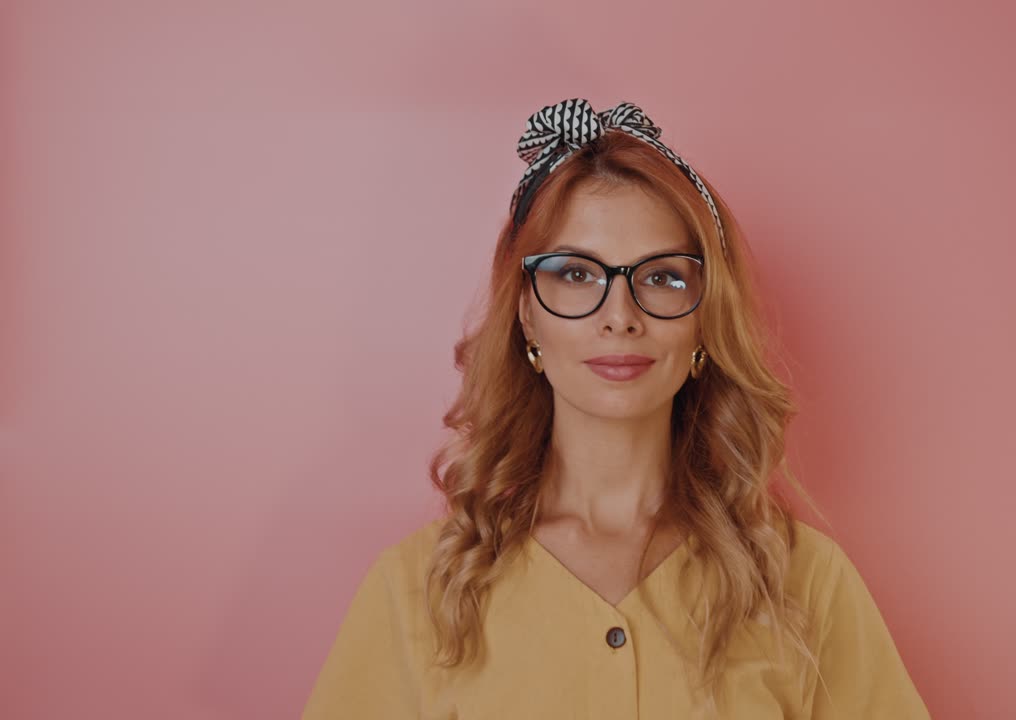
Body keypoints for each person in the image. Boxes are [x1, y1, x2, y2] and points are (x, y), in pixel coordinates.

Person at [302, 98, 930, 719]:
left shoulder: (805, 582)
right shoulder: (420, 590)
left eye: (661, 277)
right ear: (526, 313)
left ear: (704, 319)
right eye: (577, 274)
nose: (620, 317)